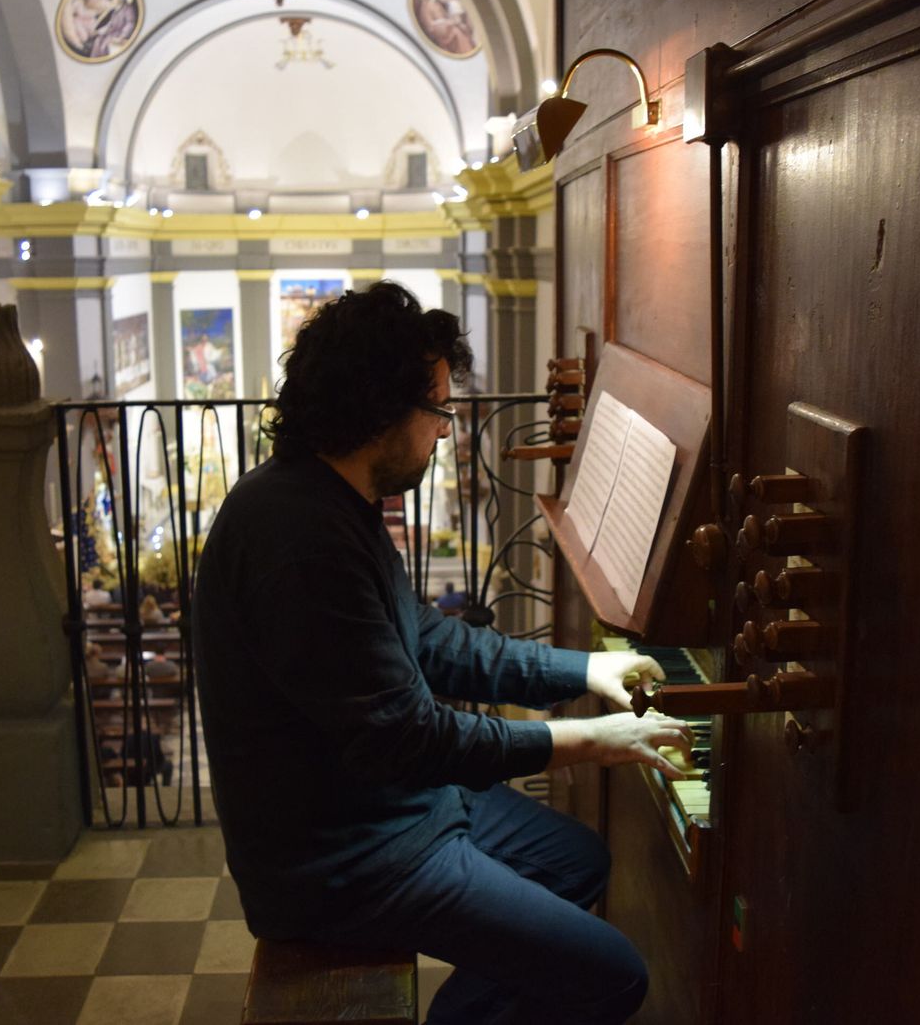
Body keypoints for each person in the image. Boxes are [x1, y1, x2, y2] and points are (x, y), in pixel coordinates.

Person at [193, 281, 693, 1025]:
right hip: (342, 861)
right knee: (614, 976)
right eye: (438, 412)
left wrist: (588, 670)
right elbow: (411, 740)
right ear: (380, 411)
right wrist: (592, 739)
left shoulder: (331, 498)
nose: (442, 433)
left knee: (577, 861)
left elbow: (427, 639)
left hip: (387, 809)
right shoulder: (299, 541)